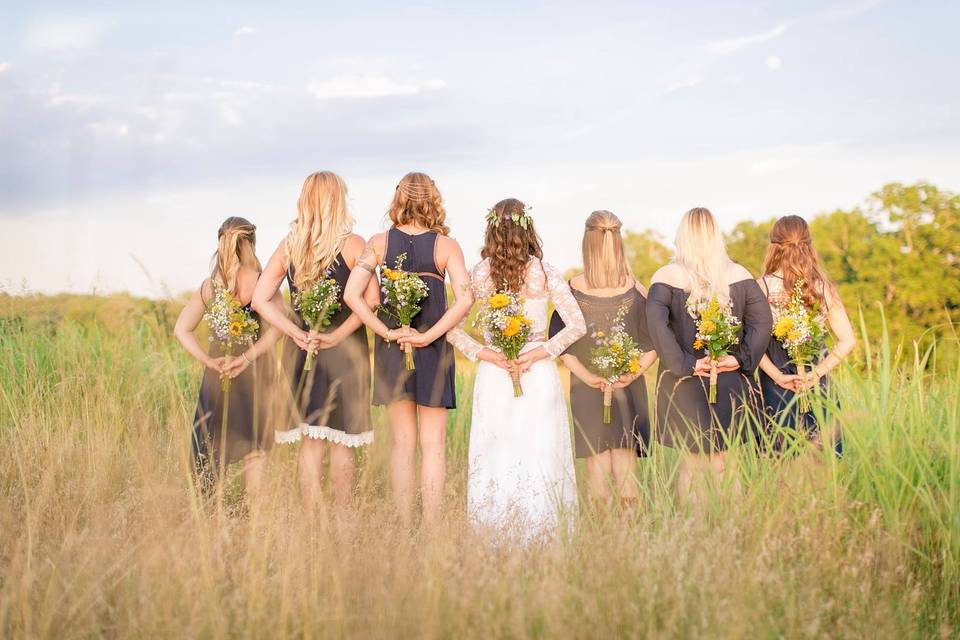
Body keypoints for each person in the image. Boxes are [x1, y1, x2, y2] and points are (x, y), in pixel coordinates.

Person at [447, 198, 586, 540]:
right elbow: (576, 325)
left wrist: (487, 354)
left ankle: (495, 536)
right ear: (528, 228)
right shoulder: (544, 270)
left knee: (499, 451)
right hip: (535, 372)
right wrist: (541, 352)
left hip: (498, 372)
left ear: (491, 230)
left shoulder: (480, 273)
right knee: (539, 451)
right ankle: (543, 535)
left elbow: (453, 329)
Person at [343, 172, 472, 526]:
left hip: (392, 348)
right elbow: (466, 298)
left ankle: (402, 526)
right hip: (433, 349)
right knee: (433, 445)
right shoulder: (447, 246)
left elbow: (352, 295)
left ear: (397, 199)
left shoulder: (379, 243)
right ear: (433, 199)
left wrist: (386, 331)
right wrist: (431, 336)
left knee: (402, 444)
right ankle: (430, 529)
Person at [251, 171, 380, 510]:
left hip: (301, 350)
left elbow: (260, 299)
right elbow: (374, 300)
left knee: (311, 443)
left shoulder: (289, 244)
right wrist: (336, 336)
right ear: (339, 199)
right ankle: (342, 519)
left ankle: (312, 522)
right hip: (345, 351)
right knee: (340, 443)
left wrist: (294, 331)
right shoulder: (353, 244)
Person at [646, 207, 772, 508]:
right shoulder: (739, 274)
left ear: (683, 236)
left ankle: (695, 535)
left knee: (692, 466)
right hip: (727, 378)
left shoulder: (666, 275)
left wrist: (686, 364)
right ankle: (733, 531)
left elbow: (655, 325)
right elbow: (762, 322)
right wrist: (739, 359)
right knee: (726, 464)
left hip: (686, 382)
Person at [548, 210, 658, 508]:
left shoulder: (572, 290)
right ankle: (628, 537)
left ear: (587, 243)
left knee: (597, 467)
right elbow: (654, 344)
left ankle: (603, 539)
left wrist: (587, 377)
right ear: (618, 242)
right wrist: (631, 375)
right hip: (628, 388)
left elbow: (561, 345)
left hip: (587, 389)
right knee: (626, 466)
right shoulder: (636, 290)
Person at [174, 216, 281, 498]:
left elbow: (181, 329)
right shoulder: (262, 282)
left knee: (211, 444)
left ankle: (210, 516)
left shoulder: (210, 286)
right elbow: (280, 328)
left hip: (218, 373)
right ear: (252, 245)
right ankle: (258, 521)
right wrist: (247, 357)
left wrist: (208, 361)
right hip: (255, 373)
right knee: (254, 449)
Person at [757, 215, 856, 455]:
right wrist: (816, 374)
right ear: (809, 245)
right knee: (822, 460)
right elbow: (848, 341)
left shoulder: (761, 286)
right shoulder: (821, 287)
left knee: (781, 462)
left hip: (776, 386)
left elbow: (751, 345)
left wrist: (778, 376)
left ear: (773, 247)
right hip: (817, 383)